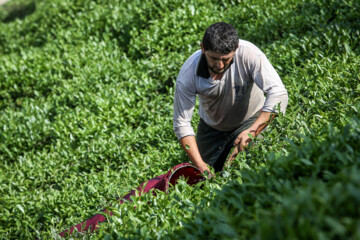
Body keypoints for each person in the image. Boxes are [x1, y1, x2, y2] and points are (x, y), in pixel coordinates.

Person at [173, 22, 288, 174]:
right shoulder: (189, 73)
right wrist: (200, 164)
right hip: (211, 128)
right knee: (201, 177)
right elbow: (182, 123)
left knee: (251, 167)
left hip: (251, 119)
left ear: (236, 49)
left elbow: (279, 93)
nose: (220, 65)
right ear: (202, 48)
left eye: (226, 59)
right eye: (213, 58)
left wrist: (253, 131)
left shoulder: (250, 54)